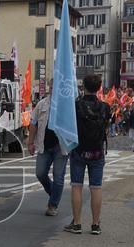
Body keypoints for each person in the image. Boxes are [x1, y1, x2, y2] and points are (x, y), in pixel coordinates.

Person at [65, 74, 111, 236]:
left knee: (76, 186)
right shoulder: (105, 107)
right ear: (99, 87)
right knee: (96, 188)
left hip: (79, 149)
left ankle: (77, 223)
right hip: (97, 151)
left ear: (83, 86)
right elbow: (106, 128)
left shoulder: (75, 105)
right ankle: (95, 224)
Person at [28, 84, 67, 216]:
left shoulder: (66, 105)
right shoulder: (42, 104)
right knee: (40, 173)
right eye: (52, 88)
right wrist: (30, 142)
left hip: (61, 147)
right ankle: (54, 194)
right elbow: (33, 123)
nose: (53, 90)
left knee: (58, 177)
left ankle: (53, 205)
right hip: (43, 145)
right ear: (50, 89)